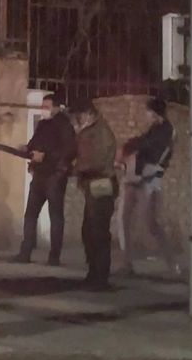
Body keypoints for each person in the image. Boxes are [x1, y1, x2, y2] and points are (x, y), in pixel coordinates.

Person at [118, 97, 179, 275]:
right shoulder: (154, 129)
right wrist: (130, 146)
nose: (146, 114)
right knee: (124, 218)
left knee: (151, 223)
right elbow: (141, 142)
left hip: (149, 180)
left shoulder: (167, 131)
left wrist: (131, 146)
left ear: (155, 112)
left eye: (148, 111)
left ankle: (172, 263)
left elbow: (151, 149)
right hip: (136, 176)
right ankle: (127, 263)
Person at [14, 93, 77, 266]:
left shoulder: (64, 125)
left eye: (47, 107)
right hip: (39, 175)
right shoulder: (42, 125)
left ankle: (54, 256)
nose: (43, 110)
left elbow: (70, 150)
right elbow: (34, 144)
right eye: (42, 106)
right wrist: (26, 149)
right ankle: (25, 252)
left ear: (57, 107)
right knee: (30, 214)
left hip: (55, 176)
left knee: (55, 216)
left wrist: (47, 156)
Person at [69, 98, 118, 291]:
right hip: (94, 183)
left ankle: (100, 277)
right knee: (89, 230)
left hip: (101, 182)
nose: (77, 120)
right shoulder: (90, 130)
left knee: (98, 231)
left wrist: (73, 169)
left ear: (89, 113)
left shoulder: (100, 132)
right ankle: (94, 273)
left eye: (79, 116)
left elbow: (94, 161)